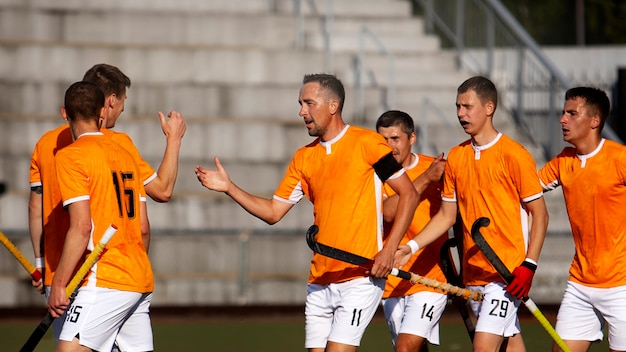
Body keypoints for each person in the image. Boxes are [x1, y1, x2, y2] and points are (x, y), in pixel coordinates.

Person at [195, 73, 419, 352]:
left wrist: (389, 250)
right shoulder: (304, 157)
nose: (302, 111)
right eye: (301, 103)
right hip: (319, 280)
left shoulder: (368, 144)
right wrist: (230, 188)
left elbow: (409, 194)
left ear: (333, 106)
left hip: (360, 278)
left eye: (309, 103)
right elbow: (274, 212)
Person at [28, 63, 186, 341]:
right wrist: (173, 139)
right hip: (104, 275)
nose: (123, 109)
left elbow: (35, 208)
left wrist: (40, 263)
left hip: (60, 273)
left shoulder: (45, 144)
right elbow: (160, 194)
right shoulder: (120, 146)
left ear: (67, 111)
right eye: (123, 101)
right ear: (108, 103)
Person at [394, 76, 549, 352]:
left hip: (507, 274)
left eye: (467, 106)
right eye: (457, 107)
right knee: (510, 346)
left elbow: (540, 214)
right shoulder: (456, 157)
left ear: (489, 108)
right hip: (474, 274)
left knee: (483, 347)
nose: (460, 114)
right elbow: (445, 216)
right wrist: (411, 246)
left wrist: (529, 266)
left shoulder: (514, 154)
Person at [48, 81, 154, 351]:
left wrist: (59, 284)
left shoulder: (70, 156)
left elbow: (82, 227)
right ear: (101, 113)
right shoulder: (126, 154)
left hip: (105, 278)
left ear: (65, 113)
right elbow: (142, 226)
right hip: (139, 278)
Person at [537, 87, 626, 352]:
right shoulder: (563, 161)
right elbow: (524, 189)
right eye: (564, 112)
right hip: (580, 283)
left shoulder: (620, 158)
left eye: (572, 113)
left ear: (594, 121)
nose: (563, 119)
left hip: (621, 284)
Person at [376, 110, 449, 352]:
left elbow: (453, 217)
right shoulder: (376, 175)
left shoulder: (436, 167)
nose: (389, 146)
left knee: (406, 347)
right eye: (383, 140)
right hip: (392, 280)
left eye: (395, 139)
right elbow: (388, 211)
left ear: (412, 138)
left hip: (431, 278)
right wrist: (426, 179)